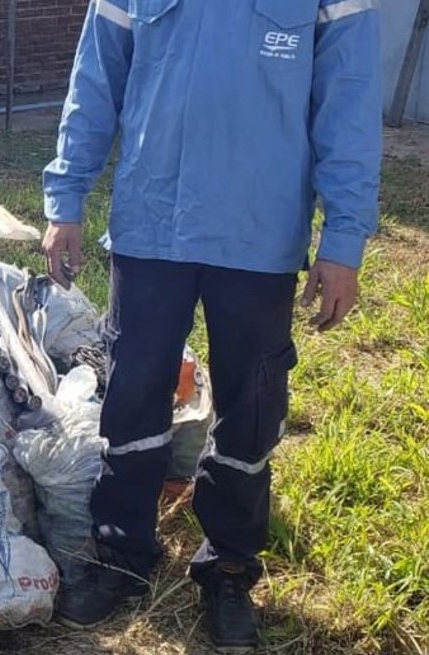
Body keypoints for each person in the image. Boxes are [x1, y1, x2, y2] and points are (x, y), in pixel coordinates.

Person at [41, 0, 381, 652]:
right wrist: (66, 199)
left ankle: (228, 567)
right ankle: (121, 552)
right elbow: (96, 79)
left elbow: (350, 102)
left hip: (259, 234)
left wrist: (343, 240)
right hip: (151, 225)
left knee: (251, 409)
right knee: (132, 394)